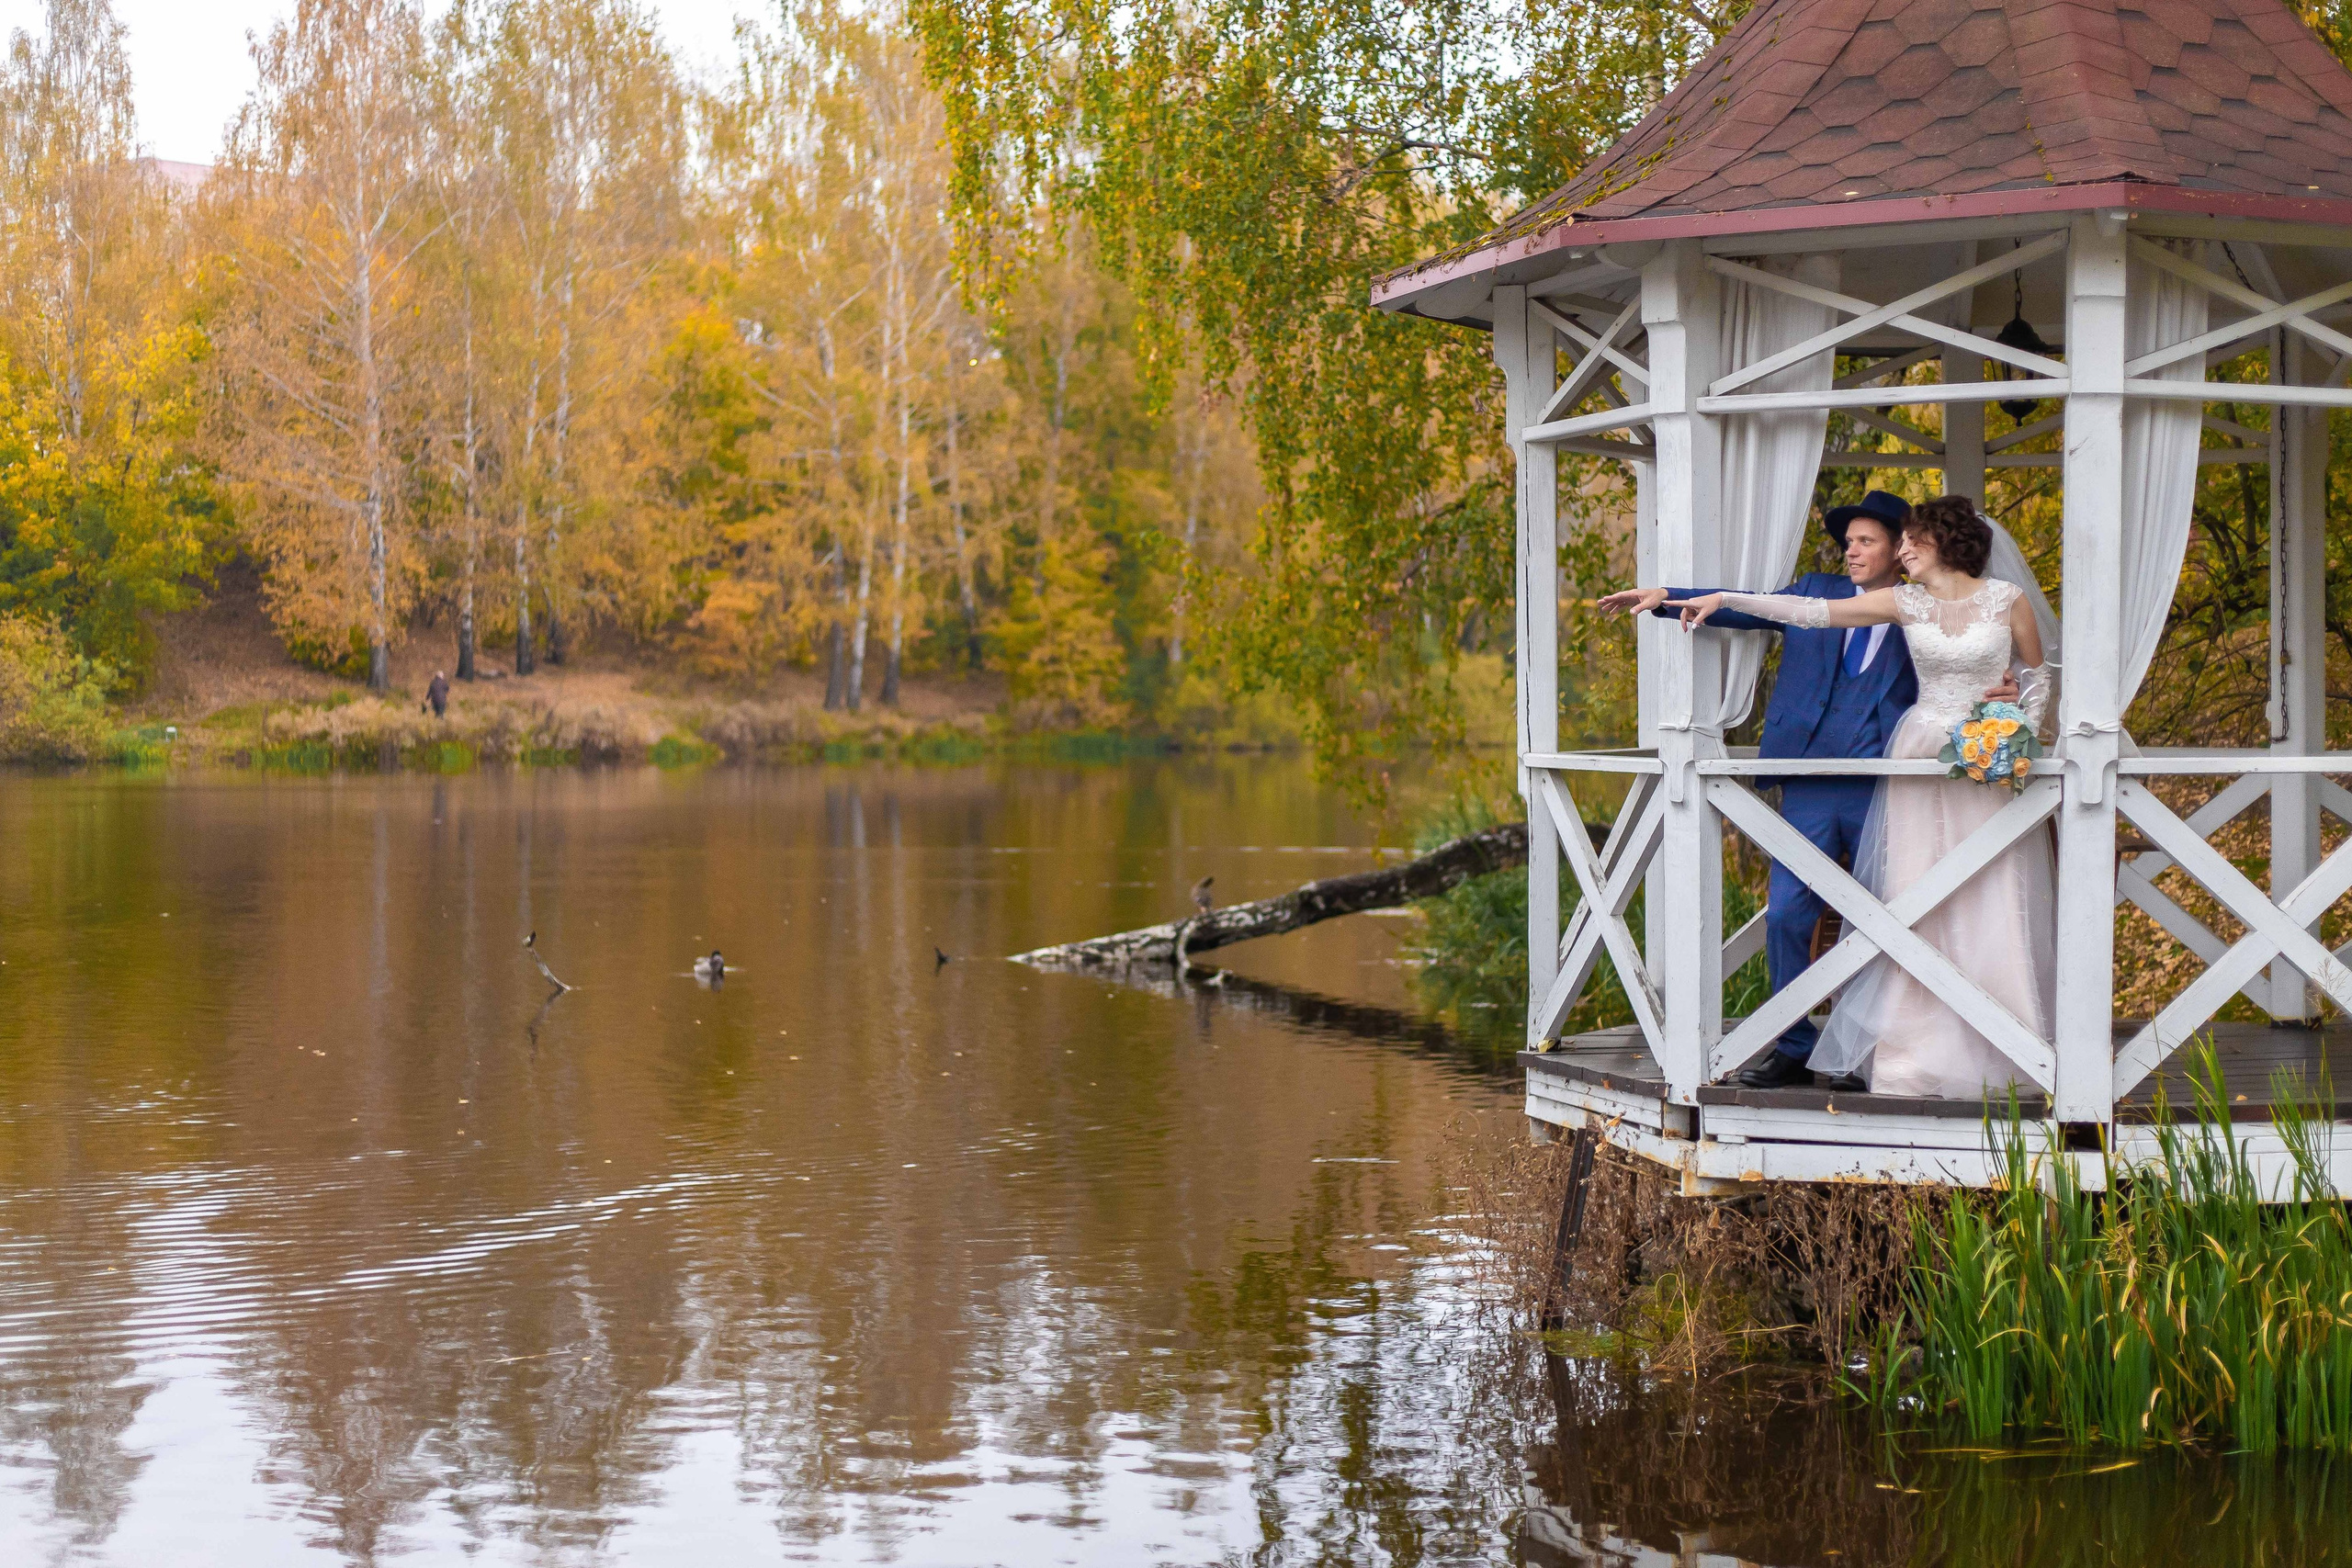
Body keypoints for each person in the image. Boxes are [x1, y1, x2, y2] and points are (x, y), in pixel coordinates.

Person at [1669, 497, 2055, 1100]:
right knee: (1911, 898)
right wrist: (1726, 600)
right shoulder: (1906, 603)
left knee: (1987, 895)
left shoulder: (2006, 600)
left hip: (1984, 760)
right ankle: (1909, 1054)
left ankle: (2004, 1044)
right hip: (1916, 756)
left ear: (1943, 540)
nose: (1902, 550)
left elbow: (2038, 675)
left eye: (1911, 539)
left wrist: (2015, 726)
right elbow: (1813, 612)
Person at [1603, 491, 1945, 1089]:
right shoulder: (1819, 589)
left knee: (1881, 919)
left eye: (1866, 541)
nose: (1853, 551)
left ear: (1899, 549)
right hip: (1807, 782)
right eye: (1849, 541)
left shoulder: (1923, 608)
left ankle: (1864, 1049)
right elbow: (1749, 609)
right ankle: (1792, 1044)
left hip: (1885, 788)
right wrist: (1666, 598)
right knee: (1787, 914)